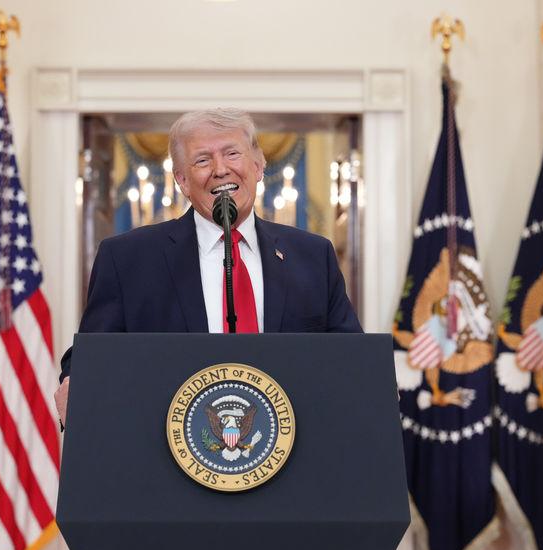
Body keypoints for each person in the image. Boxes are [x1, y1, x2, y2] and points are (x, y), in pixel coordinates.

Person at [55, 108, 361, 425]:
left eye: (232, 154)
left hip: (292, 443)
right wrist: (76, 383)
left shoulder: (313, 256)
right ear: (182, 181)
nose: (220, 169)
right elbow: (92, 356)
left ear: (258, 166)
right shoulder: (127, 259)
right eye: (202, 160)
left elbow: (351, 358)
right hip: (168, 445)